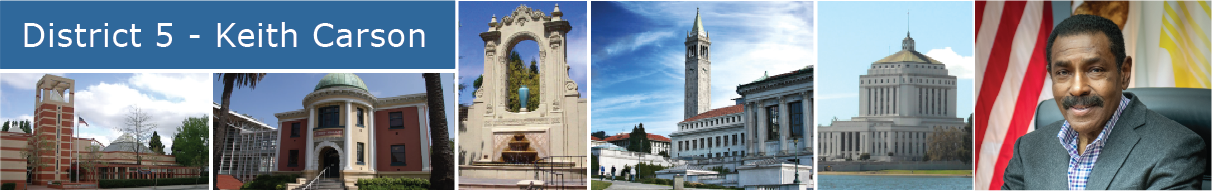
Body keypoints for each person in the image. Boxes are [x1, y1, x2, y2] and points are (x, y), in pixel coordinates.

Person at [1000, 14, 1205, 190]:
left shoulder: (1175, 148)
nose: (1078, 87)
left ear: (1124, 73)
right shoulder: (1027, 149)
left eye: (1095, 70)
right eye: (1063, 72)